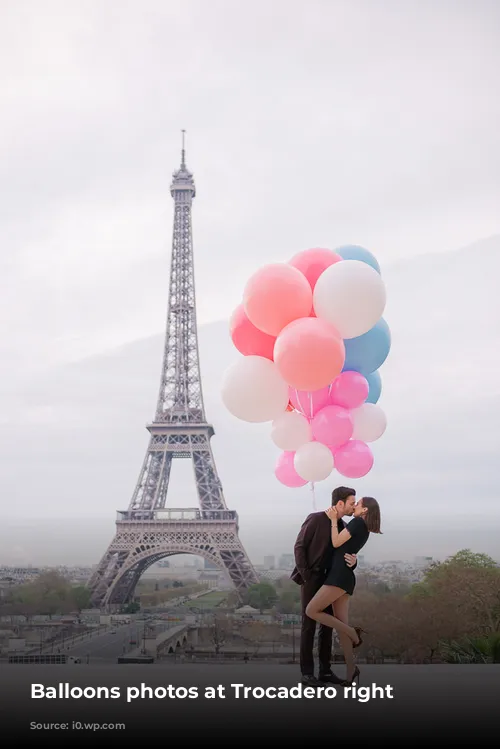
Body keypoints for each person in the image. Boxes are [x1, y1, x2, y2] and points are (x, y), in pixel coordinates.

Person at [305, 496, 382, 685]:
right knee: (340, 625)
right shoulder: (365, 529)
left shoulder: (357, 523)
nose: (355, 505)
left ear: (365, 511)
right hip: (345, 576)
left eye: (359, 503)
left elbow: (337, 542)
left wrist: (332, 521)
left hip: (338, 576)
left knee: (311, 610)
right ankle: (351, 670)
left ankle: (353, 633)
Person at [291, 486, 358, 686]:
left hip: (331, 581)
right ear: (339, 503)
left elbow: (348, 554)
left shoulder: (343, 527)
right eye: (351, 503)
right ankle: (307, 673)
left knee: (327, 626)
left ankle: (325, 671)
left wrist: (354, 562)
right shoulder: (316, 519)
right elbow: (299, 546)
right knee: (309, 624)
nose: (353, 506)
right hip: (313, 577)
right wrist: (306, 575)